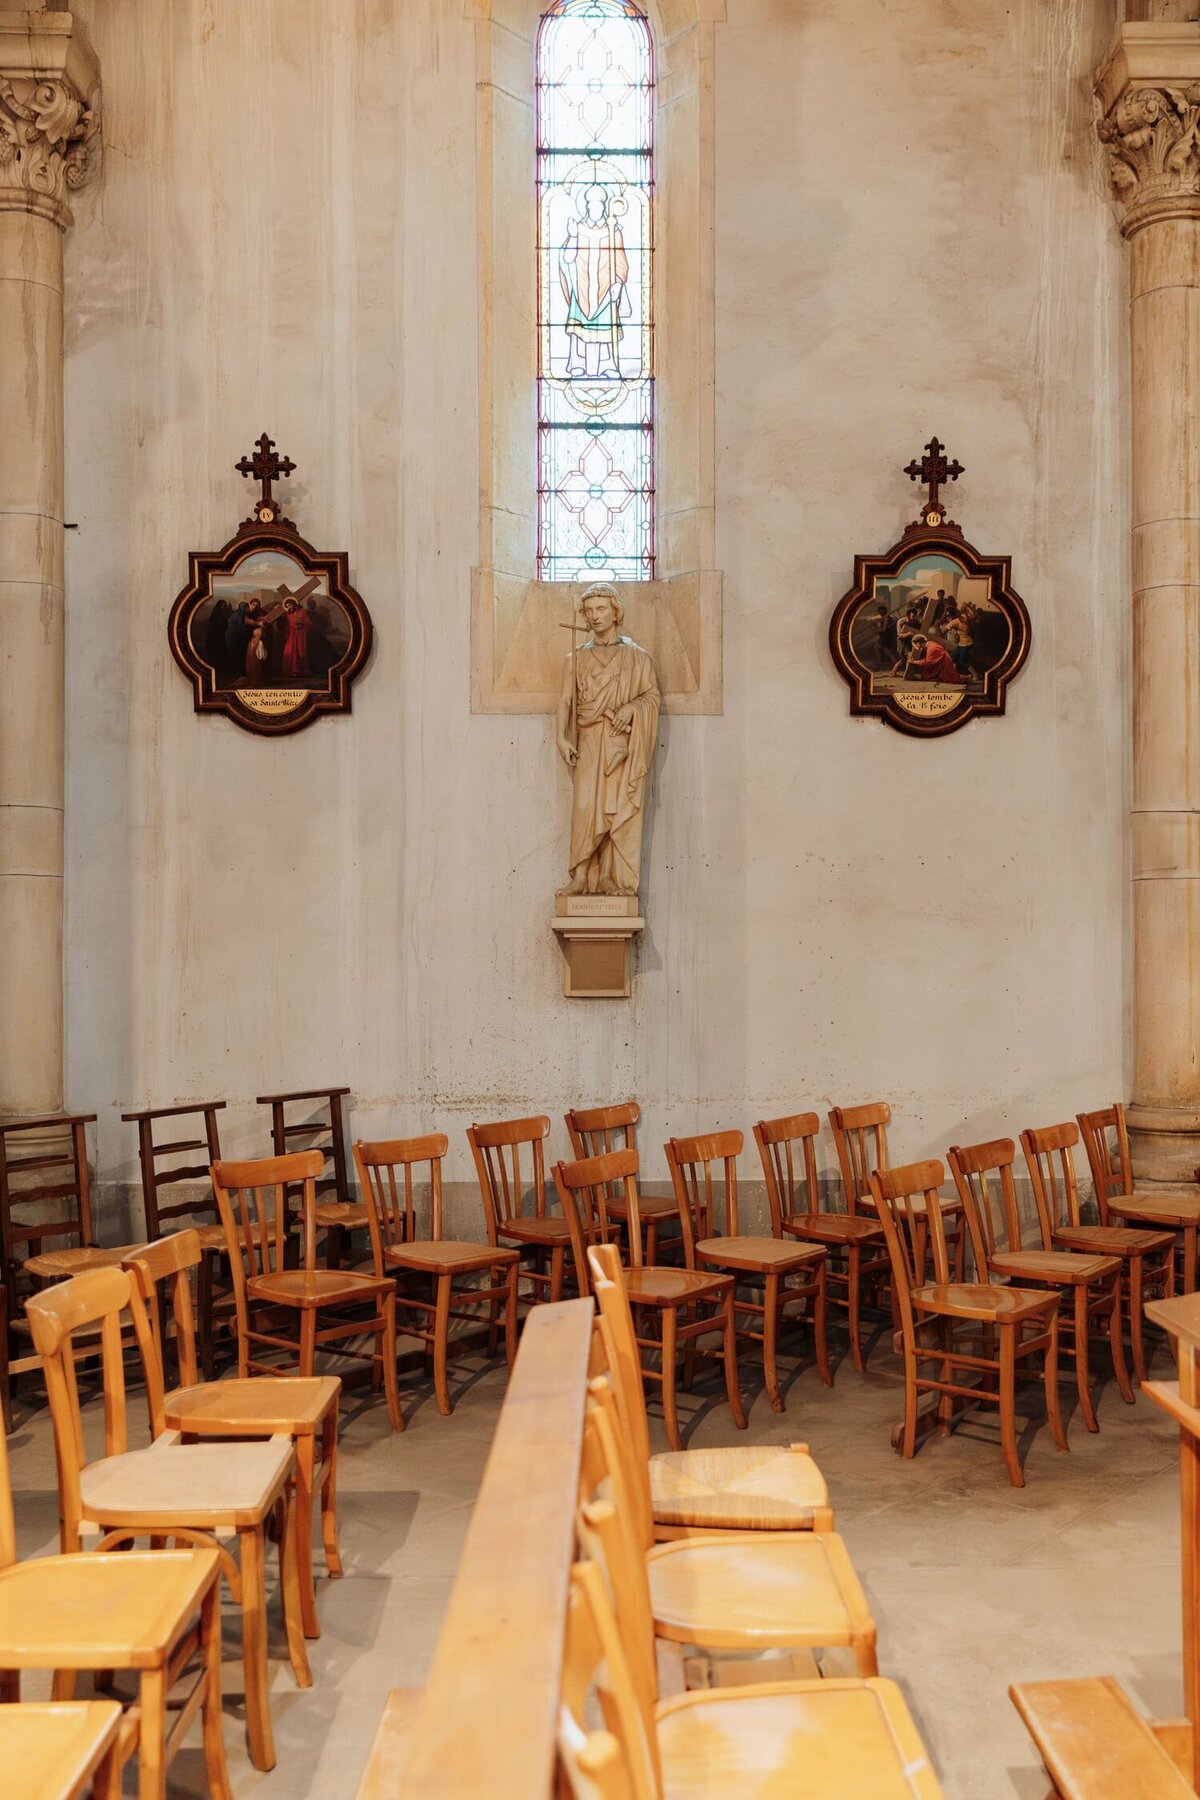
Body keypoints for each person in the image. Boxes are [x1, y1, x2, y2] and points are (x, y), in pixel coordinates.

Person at [556, 581, 660, 896]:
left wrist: (631, 709)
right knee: (586, 807)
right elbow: (565, 701)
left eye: (601, 608)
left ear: (616, 612)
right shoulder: (575, 657)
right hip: (588, 741)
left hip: (620, 744)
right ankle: (581, 876)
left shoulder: (637, 657)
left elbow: (651, 697)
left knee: (616, 807)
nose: (595, 615)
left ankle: (610, 878)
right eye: (589, 610)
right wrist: (561, 737)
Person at [559, 184, 629, 379]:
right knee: (579, 329)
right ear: (587, 207)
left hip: (605, 288)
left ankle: (608, 365)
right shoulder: (578, 229)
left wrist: (618, 283)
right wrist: (573, 235)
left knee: (606, 327)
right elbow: (567, 258)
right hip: (581, 286)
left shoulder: (613, 231)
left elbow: (621, 261)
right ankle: (577, 363)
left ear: (604, 207)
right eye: (592, 205)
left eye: (599, 205)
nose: (595, 209)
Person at [903, 634, 968, 684]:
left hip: (944, 662)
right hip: (939, 661)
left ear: (919, 643)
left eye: (915, 645)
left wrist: (914, 662)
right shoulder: (928, 644)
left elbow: (928, 662)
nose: (916, 647)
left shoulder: (931, 648)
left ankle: (967, 678)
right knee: (933, 675)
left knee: (951, 678)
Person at [281, 597, 312, 680]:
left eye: (290, 605)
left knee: (300, 652)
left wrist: (302, 623)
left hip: (301, 634)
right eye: (287, 606)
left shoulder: (302, 611)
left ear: (294, 604)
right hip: (292, 635)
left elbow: (309, 622)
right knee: (289, 651)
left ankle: (301, 672)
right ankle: (291, 671)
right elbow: (286, 626)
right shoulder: (288, 614)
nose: (289, 607)